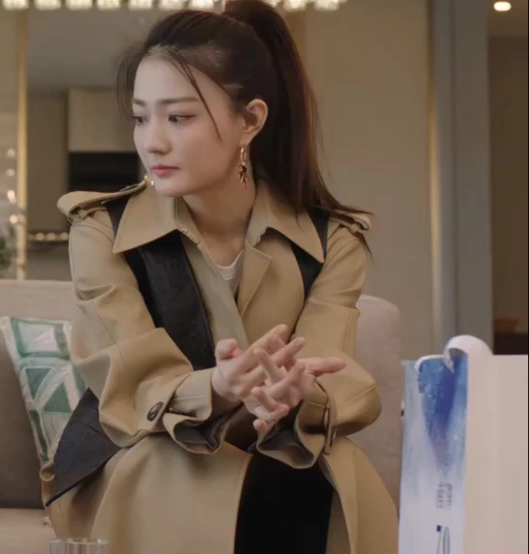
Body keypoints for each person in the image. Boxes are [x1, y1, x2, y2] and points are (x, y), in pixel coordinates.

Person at [43, 1, 397, 553]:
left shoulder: (333, 240)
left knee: (328, 467)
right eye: (141, 117)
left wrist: (297, 395)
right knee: (170, 464)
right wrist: (217, 387)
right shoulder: (100, 231)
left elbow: (327, 362)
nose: (152, 142)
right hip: (141, 447)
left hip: (273, 446)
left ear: (250, 121)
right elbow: (130, 380)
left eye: (178, 118)